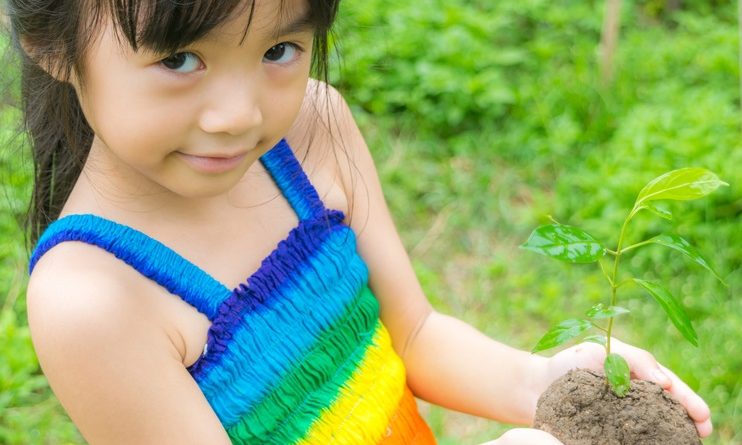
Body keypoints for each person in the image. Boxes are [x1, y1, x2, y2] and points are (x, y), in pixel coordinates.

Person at [7, 0, 712, 443]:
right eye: (181, 58)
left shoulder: (313, 128)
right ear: (53, 43)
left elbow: (414, 335)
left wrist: (550, 383)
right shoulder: (95, 300)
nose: (240, 114)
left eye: (279, 49)